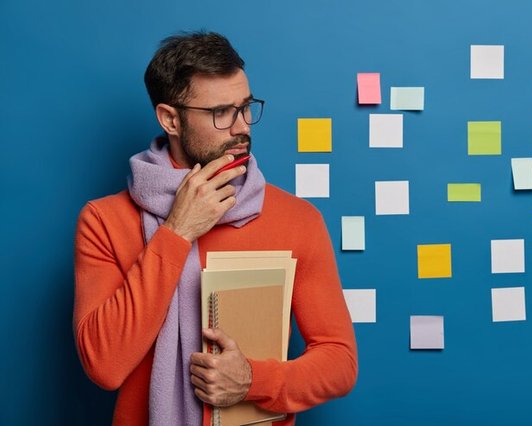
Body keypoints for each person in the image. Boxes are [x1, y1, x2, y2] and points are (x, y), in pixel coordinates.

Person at [73, 31, 357, 425]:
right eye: (221, 112)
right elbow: (104, 366)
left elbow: (340, 362)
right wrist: (176, 232)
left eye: (246, 107)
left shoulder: (297, 219)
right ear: (170, 119)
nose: (242, 127)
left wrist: (254, 380)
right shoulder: (104, 221)